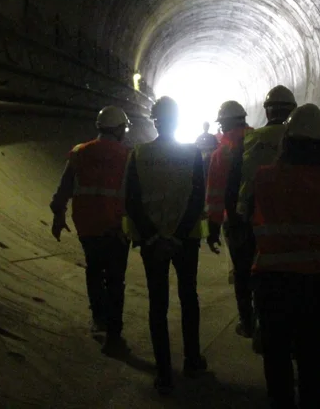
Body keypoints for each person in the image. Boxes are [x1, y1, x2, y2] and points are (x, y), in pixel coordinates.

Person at [244, 104, 320, 409]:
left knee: (276, 358)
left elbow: (247, 222)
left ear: (286, 141)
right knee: (311, 356)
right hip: (319, 285)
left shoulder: (263, 178)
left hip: (272, 283)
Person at [124, 96, 208, 395]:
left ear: (154, 121)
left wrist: (153, 237)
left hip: (152, 244)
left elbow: (131, 201)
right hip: (185, 241)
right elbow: (198, 199)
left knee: (158, 305)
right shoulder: (192, 154)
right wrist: (177, 236)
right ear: (177, 120)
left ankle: (163, 374)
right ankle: (192, 360)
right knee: (188, 298)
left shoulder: (139, 154)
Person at [49, 106, 132, 356]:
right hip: (116, 227)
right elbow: (136, 195)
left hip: (87, 225)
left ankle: (99, 319)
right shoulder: (128, 155)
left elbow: (64, 188)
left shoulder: (79, 152)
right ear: (118, 129)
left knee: (94, 271)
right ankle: (114, 336)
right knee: (115, 279)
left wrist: (58, 215)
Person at [230, 85, 298, 349]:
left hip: (256, 218)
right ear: (293, 110)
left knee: (258, 277)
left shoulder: (250, 139)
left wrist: (235, 219)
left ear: (267, 110)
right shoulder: (303, 140)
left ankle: (257, 329)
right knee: (290, 277)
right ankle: (292, 335)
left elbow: (235, 183)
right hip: (293, 219)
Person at [204, 99, 252, 334]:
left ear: (223, 125)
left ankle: (248, 322)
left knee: (242, 273)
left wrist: (212, 231)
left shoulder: (221, 153)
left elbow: (214, 196)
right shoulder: (261, 142)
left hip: (235, 221)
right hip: (267, 219)